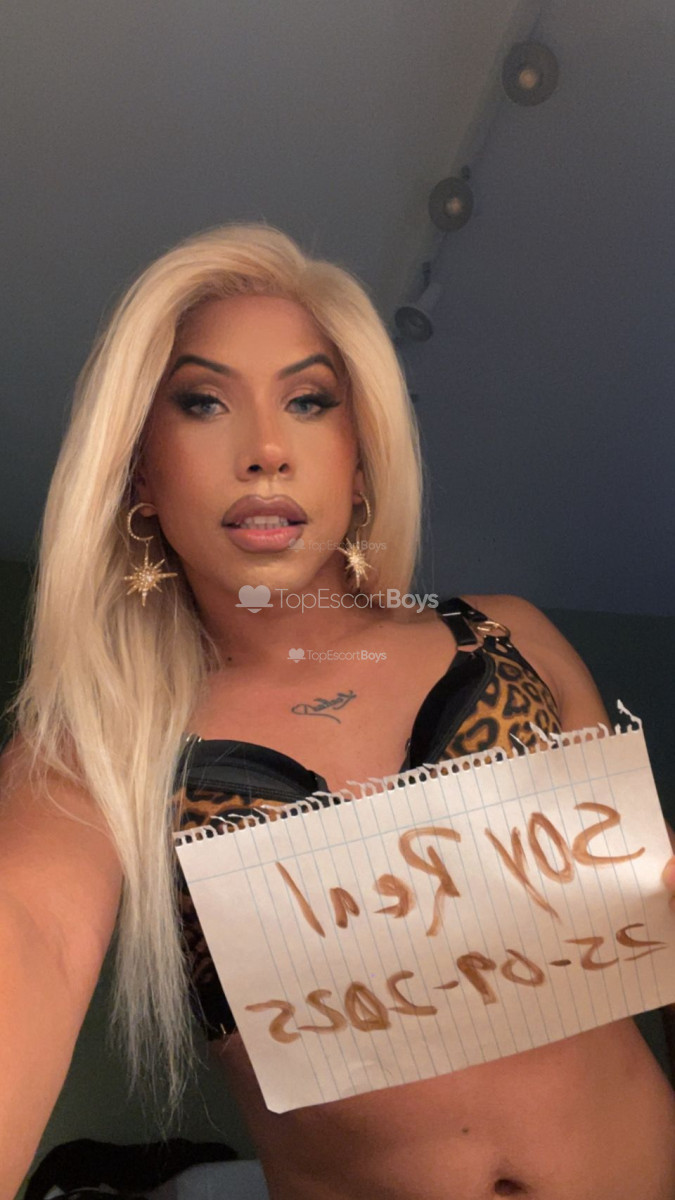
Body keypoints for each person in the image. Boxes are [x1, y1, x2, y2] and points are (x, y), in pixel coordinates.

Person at [1, 221, 674, 1200]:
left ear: (359, 460)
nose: (266, 451)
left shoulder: (510, 638)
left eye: (309, 401)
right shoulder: (98, 743)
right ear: (141, 469)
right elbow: (29, 930)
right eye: (203, 402)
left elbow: (659, 906)